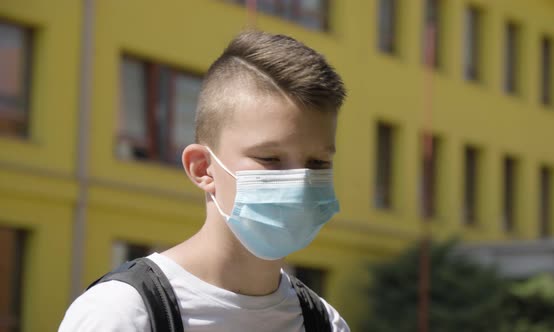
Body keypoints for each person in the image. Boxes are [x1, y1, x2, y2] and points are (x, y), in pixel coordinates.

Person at [59, 30, 348, 331]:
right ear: (203, 169)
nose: (299, 182)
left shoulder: (326, 323)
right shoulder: (123, 314)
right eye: (270, 158)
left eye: (318, 163)